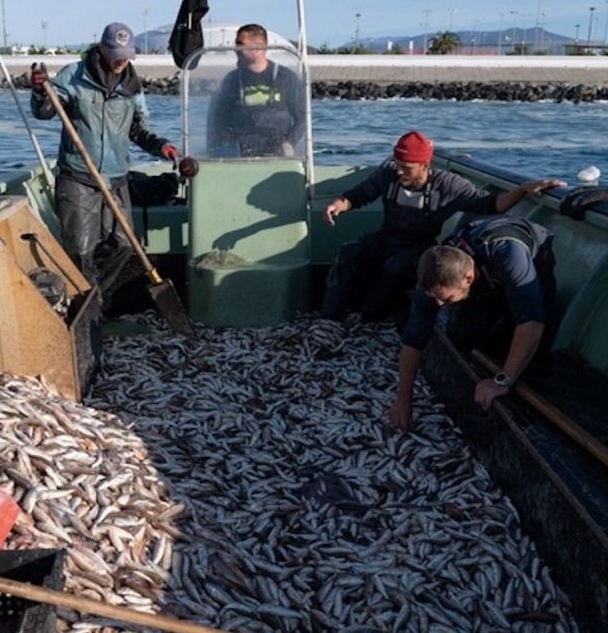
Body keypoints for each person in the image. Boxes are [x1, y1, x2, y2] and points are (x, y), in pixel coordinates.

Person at [320, 130, 564, 323]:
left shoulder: (448, 185)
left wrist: (522, 190)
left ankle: (368, 317)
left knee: (395, 268)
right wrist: (338, 206)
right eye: (397, 164)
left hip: (418, 247)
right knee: (348, 253)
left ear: (425, 165)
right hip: (386, 236)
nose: (400, 170)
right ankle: (328, 318)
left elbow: (490, 204)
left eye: (407, 167)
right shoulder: (388, 175)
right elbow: (359, 194)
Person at [30, 22, 178, 298]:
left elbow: (137, 130)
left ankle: (93, 295)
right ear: (101, 48)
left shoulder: (132, 86)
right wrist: (40, 91)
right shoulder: (73, 76)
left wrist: (160, 146)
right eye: (116, 53)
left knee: (123, 243)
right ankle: (89, 307)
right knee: (82, 248)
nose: (122, 60)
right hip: (78, 176)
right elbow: (45, 111)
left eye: (126, 54)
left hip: (117, 176)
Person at [389, 215, 557, 430]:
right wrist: (403, 399)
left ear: (467, 279)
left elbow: (532, 322)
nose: (439, 304)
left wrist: (502, 381)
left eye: (446, 299)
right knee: (462, 335)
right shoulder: (435, 277)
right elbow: (413, 338)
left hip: (532, 266)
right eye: (436, 298)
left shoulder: (509, 257)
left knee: (530, 344)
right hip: (485, 275)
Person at [206, 23, 306, 158]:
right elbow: (219, 120)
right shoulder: (232, 80)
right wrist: (221, 150)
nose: (235, 49)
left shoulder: (286, 78)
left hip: (278, 151)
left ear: (258, 48)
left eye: (240, 44)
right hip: (241, 153)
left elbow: (303, 117)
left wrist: (290, 143)